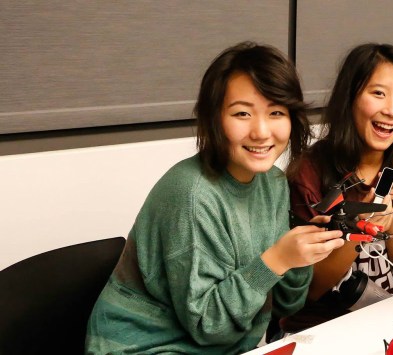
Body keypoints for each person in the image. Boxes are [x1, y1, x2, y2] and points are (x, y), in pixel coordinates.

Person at [85, 42, 345, 354]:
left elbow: (286, 305)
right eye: (242, 113)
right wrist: (278, 259)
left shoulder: (273, 182)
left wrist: (299, 255)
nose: (261, 131)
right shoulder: (191, 194)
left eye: (276, 112)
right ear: (213, 119)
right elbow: (208, 328)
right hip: (144, 348)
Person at [282, 43, 393, 331]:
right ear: (350, 97)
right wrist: (360, 227)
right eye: (378, 93)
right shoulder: (310, 170)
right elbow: (311, 289)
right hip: (323, 328)